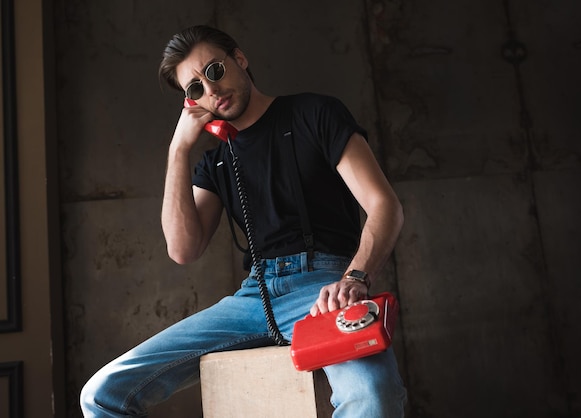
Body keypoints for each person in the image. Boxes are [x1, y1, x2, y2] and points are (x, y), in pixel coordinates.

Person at [80, 25, 407, 417]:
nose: (211, 90)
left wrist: (354, 278)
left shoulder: (315, 113)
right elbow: (183, 249)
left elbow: (384, 205)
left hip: (323, 287)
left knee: (373, 395)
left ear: (239, 59)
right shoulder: (216, 161)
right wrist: (179, 149)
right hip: (253, 300)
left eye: (214, 71)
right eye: (195, 88)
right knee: (102, 394)